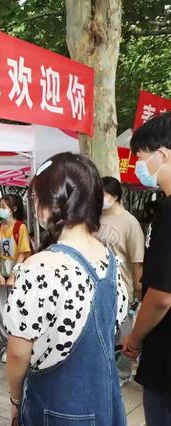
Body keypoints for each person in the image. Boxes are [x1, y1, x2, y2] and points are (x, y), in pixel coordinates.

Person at [5, 153, 127, 425]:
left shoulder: (39, 267)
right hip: (104, 403)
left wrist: (15, 398)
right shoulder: (110, 260)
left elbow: (17, 352)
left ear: (49, 203)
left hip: (55, 410)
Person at [123, 112, 171, 425]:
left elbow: (162, 296)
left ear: (162, 154)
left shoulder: (168, 212)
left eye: (140, 157)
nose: (139, 166)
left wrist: (135, 337)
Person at [96, 176, 144, 384]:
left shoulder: (129, 222)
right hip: (96, 286)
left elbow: (137, 260)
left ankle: (122, 373)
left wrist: (138, 290)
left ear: (115, 196)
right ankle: (103, 371)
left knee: (123, 334)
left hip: (122, 288)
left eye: (103, 194)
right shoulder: (94, 218)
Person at [0, 195, 32, 364]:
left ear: (14, 209)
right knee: (1, 309)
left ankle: (19, 345)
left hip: (17, 269)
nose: (1, 209)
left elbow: (23, 252)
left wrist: (13, 275)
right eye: (0, 206)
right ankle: (6, 344)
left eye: (4, 206)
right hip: (1, 269)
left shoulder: (20, 227)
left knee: (17, 309)